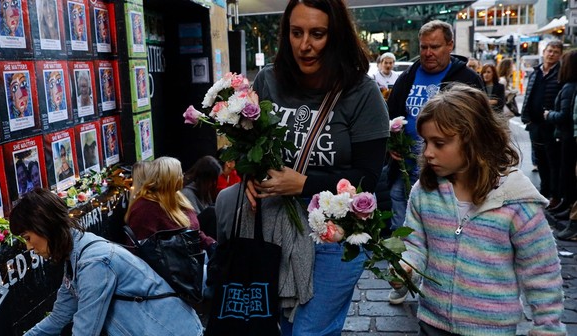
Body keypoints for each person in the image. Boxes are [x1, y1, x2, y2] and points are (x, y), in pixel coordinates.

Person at [228, 0, 389, 333]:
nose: (305, 45)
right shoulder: (268, 81)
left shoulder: (361, 93)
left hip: (334, 234)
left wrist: (303, 184)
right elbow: (252, 149)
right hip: (274, 228)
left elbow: (367, 178)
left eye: (318, 34)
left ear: (337, 35)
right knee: (280, 328)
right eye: (296, 32)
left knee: (307, 331)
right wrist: (249, 176)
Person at [389, 84, 566, 335]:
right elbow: (415, 244)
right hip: (432, 323)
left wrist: (548, 327)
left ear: (474, 141)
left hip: (491, 329)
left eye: (439, 143)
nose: (428, 152)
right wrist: (405, 267)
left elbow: (541, 271)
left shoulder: (516, 202)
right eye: (426, 142)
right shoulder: (424, 192)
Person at [9, 188, 203, 336]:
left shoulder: (94, 263)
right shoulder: (76, 257)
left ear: (45, 227)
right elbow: (59, 317)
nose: (29, 247)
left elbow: (85, 331)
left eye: (27, 237)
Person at [385, 20, 482, 238]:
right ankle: (404, 261)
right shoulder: (407, 77)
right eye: (423, 47)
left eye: (435, 47)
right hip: (404, 167)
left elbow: (479, 127)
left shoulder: (466, 79)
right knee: (401, 223)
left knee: (438, 227)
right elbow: (390, 116)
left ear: (450, 45)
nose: (428, 53)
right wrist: (390, 143)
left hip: (448, 174)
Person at [125, 156, 216, 251]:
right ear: (170, 179)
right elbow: (141, 248)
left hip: (190, 259)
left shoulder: (178, 198)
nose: (183, 176)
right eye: (179, 174)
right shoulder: (145, 209)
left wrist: (209, 243)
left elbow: (194, 233)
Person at [521, 40, 563, 210]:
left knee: (553, 161)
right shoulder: (536, 72)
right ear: (544, 51)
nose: (551, 54)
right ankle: (544, 192)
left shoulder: (560, 73)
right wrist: (526, 118)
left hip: (551, 124)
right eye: (549, 51)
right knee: (540, 160)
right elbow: (528, 95)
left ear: (560, 55)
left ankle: (555, 195)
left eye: (555, 52)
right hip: (535, 124)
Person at [545, 50, 577, 220]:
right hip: (569, 136)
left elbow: (565, 115)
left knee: (567, 174)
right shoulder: (570, 87)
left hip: (568, 137)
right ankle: (567, 205)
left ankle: (568, 205)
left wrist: (548, 115)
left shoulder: (569, 88)